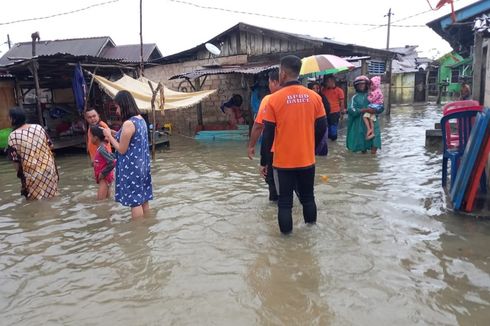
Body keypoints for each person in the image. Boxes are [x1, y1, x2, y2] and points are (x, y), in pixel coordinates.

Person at [262, 55, 327, 234]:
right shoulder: (314, 97)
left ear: (282, 73)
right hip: (307, 159)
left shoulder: (273, 100)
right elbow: (322, 128)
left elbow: (267, 135)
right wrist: (310, 147)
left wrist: (266, 161)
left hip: (283, 162)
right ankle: (311, 234)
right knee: (308, 198)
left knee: (284, 202)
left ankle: (286, 245)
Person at [102, 90, 153, 219]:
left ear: (123, 105)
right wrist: (112, 132)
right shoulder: (140, 119)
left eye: (117, 107)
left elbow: (121, 149)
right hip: (142, 166)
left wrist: (109, 136)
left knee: (135, 202)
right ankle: (147, 225)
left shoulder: (128, 123)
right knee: (144, 199)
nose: (117, 111)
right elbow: (129, 137)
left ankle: (137, 232)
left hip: (132, 169)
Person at [6, 107, 59, 200]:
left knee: (35, 200)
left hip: (31, 171)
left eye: (9, 117)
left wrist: (20, 174)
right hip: (49, 167)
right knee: (52, 195)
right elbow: (51, 145)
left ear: (13, 119)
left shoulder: (13, 136)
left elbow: (15, 160)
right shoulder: (38, 127)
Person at [248, 69, 281, 201]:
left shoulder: (269, 100)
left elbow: (261, 128)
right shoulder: (308, 96)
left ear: (275, 82)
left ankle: (271, 219)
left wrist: (252, 147)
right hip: (301, 152)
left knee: (275, 191)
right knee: (303, 194)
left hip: (276, 152)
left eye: (269, 82)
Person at [346, 75, 383, 154]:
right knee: (362, 144)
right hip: (360, 123)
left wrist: (374, 110)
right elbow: (351, 109)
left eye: (363, 84)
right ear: (356, 86)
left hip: (373, 121)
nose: (361, 86)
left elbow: (381, 106)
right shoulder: (354, 98)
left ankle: (372, 161)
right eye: (359, 85)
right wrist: (363, 110)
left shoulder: (373, 94)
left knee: (375, 142)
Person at [90, 125, 116, 200]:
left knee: (100, 203)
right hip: (106, 178)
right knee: (106, 201)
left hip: (104, 179)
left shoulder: (101, 149)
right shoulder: (101, 147)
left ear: (95, 138)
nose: (90, 138)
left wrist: (102, 173)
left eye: (91, 136)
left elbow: (112, 162)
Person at [307, 81, 330, 156]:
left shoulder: (322, 98)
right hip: (310, 125)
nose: (316, 90)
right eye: (313, 88)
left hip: (321, 124)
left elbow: (327, 109)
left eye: (317, 88)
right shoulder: (307, 99)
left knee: (322, 145)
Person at [321, 76, 345, 141]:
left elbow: (342, 102)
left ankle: (333, 139)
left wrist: (342, 112)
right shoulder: (324, 90)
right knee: (327, 126)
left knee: (333, 126)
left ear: (332, 81)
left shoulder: (339, 91)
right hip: (325, 112)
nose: (327, 83)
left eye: (328, 82)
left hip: (335, 112)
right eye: (326, 82)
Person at [363, 76, 384, 140]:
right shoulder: (377, 91)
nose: (370, 86)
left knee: (365, 117)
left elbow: (371, 100)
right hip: (376, 106)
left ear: (376, 85)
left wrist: (368, 96)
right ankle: (371, 132)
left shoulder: (376, 91)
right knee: (371, 118)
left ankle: (369, 130)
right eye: (370, 85)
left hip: (375, 106)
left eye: (372, 85)